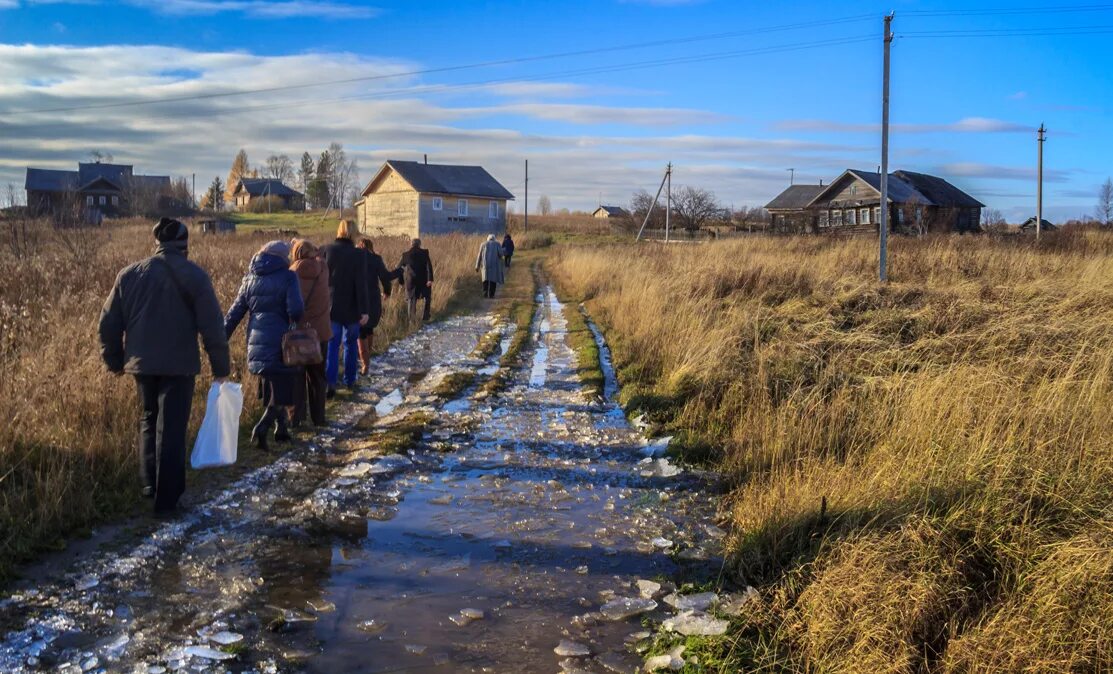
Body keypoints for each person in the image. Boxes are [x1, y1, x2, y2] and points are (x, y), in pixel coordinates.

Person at [98, 217, 230, 515]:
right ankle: (167, 500)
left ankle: (149, 485)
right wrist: (221, 368)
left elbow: (107, 324)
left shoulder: (129, 275)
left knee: (148, 419)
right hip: (179, 365)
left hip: (141, 365)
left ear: (156, 242)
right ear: (185, 246)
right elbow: (213, 328)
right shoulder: (196, 276)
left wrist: (115, 362)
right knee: (171, 429)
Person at [224, 240, 305, 450]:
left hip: (256, 341)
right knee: (283, 386)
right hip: (281, 340)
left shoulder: (249, 279)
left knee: (272, 385)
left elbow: (235, 312)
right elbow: (295, 309)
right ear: (281, 257)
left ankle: (282, 429)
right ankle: (262, 427)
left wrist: (221, 337)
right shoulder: (288, 277)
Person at [322, 220, 369, 396]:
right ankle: (350, 381)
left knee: (332, 346)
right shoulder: (359, 254)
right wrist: (364, 310)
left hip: (331, 306)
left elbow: (323, 281)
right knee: (350, 345)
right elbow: (361, 283)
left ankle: (330, 384)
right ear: (353, 233)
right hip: (352, 307)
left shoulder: (327, 250)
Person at [289, 239, 331, 428]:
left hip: (298, 333)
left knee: (297, 377)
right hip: (320, 332)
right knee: (317, 377)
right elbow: (322, 252)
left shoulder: (291, 273)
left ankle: (296, 418)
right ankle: (319, 418)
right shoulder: (323, 269)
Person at [356, 237, 397, 375]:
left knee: (360, 331)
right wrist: (386, 291)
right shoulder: (376, 259)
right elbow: (385, 277)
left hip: (358, 298)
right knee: (369, 328)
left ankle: (364, 364)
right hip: (373, 298)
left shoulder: (354, 258)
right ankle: (366, 358)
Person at [397, 238, 434, 321]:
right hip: (423, 280)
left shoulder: (405, 255)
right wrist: (429, 279)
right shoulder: (424, 253)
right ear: (419, 244)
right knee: (427, 297)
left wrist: (401, 281)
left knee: (411, 299)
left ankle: (412, 320)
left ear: (411, 244)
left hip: (410, 280)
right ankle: (426, 316)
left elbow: (398, 268)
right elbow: (429, 267)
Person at [476, 234, 506, 299]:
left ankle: (485, 294)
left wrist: (477, 266)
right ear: (494, 238)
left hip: (485, 265)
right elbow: (501, 254)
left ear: (488, 238)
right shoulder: (497, 244)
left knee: (485, 280)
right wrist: (503, 250)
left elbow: (479, 256)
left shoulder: (483, 244)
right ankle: (491, 295)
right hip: (494, 266)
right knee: (493, 280)